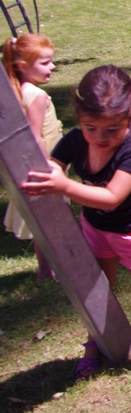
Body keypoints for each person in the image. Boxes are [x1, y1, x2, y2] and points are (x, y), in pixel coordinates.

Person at [22, 65, 131, 378]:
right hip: (97, 230)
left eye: (112, 129)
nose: (100, 137)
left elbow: (112, 197)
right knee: (98, 292)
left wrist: (63, 186)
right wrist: (51, 174)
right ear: (80, 118)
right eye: (91, 127)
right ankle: (96, 347)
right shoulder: (75, 140)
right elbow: (54, 164)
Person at [2, 34, 61, 279]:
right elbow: (35, 137)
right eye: (45, 63)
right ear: (22, 66)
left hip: (31, 163)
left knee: (43, 221)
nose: (52, 66)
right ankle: (56, 269)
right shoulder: (36, 96)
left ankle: (45, 270)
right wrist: (46, 167)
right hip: (44, 162)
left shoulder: (17, 91)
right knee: (52, 220)